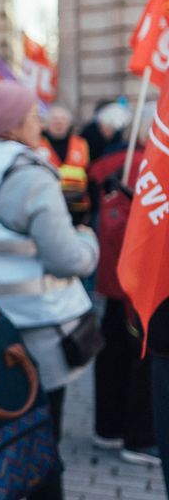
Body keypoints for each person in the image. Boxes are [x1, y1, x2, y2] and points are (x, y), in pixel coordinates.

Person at [0, 80, 99, 500]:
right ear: (12, 125)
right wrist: (89, 242)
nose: (41, 122)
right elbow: (66, 259)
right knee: (41, 454)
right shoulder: (30, 174)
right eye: (33, 115)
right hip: (38, 340)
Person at [87, 116, 159, 465]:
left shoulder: (115, 162)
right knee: (142, 357)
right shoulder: (150, 163)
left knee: (114, 349)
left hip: (115, 277)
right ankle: (139, 437)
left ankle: (109, 428)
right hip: (139, 281)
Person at [39, 105, 91, 224]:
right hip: (48, 205)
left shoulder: (81, 144)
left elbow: (88, 171)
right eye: (55, 119)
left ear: (69, 123)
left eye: (63, 119)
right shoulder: (37, 145)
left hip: (77, 208)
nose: (59, 122)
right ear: (47, 124)